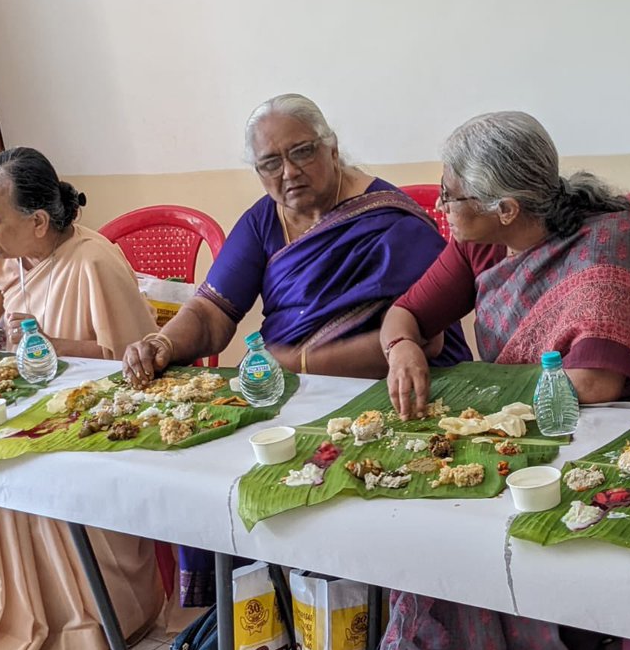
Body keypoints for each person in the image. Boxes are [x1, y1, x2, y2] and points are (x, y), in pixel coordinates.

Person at [122, 93, 469, 609]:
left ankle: (358, 617)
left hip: (390, 395)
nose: (289, 172)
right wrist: (164, 342)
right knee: (214, 472)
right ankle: (269, 617)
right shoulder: (265, 220)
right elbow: (213, 314)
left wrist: (297, 362)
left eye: (302, 152)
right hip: (297, 394)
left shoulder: (389, 219)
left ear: (331, 148)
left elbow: (423, 338)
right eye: (270, 163)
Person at [378, 111, 630, 650]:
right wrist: (403, 348)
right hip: (526, 429)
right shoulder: (479, 242)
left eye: (450, 195)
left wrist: (481, 401)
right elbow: (404, 314)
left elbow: (593, 383)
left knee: (505, 533)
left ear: (505, 208)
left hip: (611, 439)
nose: (439, 207)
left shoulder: (606, 245)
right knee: (437, 531)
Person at [0, 147, 164, 650]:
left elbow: (136, 364)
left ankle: (96, 618)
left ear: (38, 221)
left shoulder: (93, 261)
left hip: (97, 421)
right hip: (29, 414)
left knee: (26, 463)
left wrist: (56, 348)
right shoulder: (6, 257)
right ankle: (20, 614)